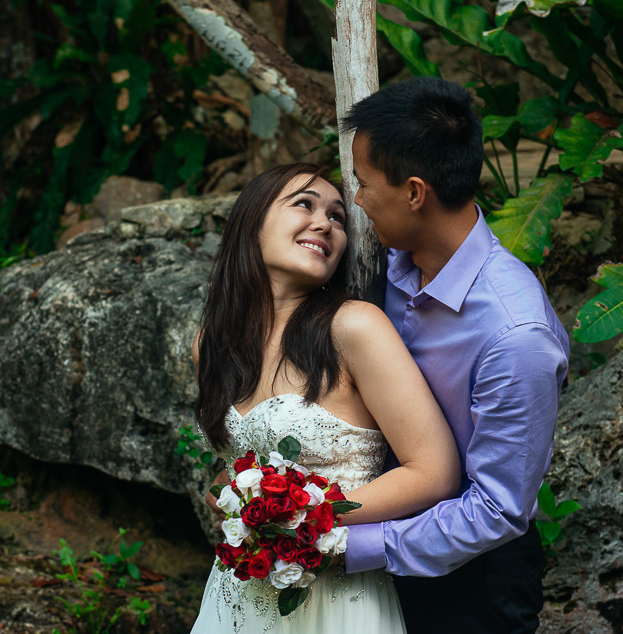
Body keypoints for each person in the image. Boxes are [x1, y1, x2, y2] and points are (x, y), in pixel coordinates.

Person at [340, 77, 570, 633]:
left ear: (415, 192)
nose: (358, 199)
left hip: (475, 581)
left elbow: (497, 510)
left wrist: (347, 547)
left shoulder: (515, 336)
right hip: (381, 539)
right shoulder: (387, 264)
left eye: (365, 183)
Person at [189, 162, 460, 633]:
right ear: (252, 221)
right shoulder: (212, 342)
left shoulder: (354, 326)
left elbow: (434, 473)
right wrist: (232, 499)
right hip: (237, 593)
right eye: (304, 204)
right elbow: (235, 467)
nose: (324, 223)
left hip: (334, 595)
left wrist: (306, 516)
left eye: (337, 217)